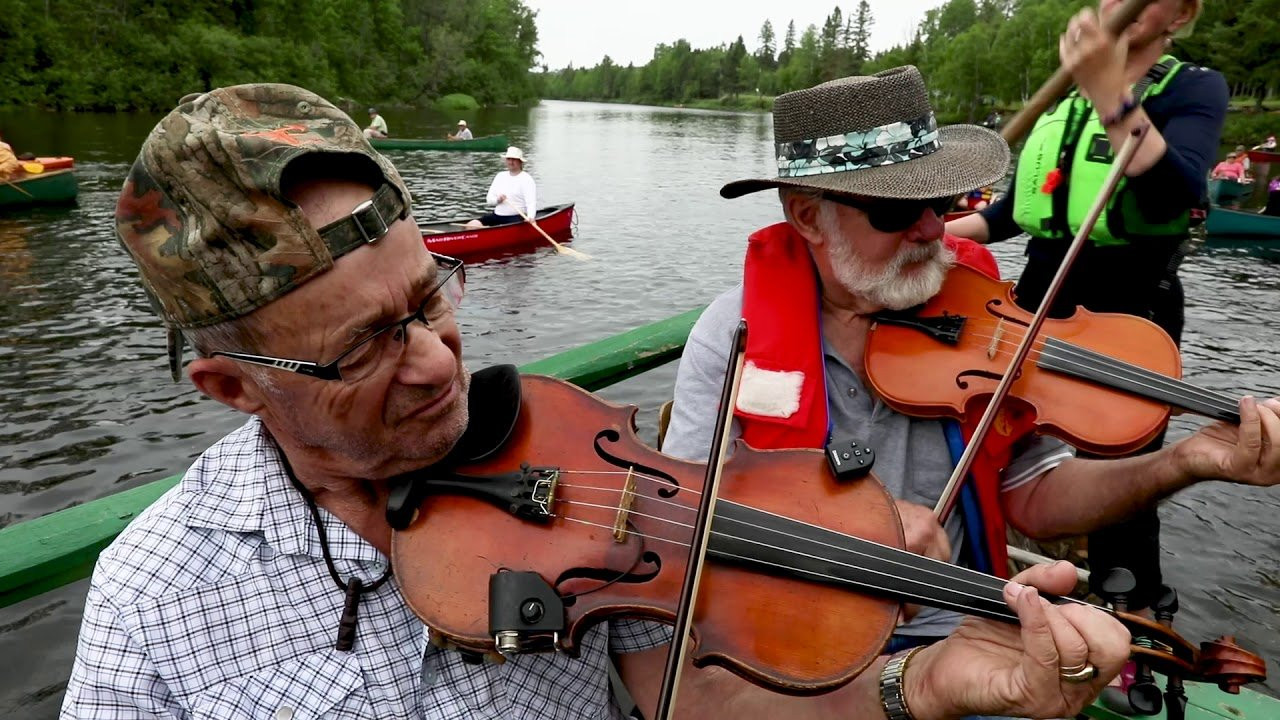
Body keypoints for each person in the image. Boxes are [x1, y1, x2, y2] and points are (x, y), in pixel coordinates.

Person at [59, 83, 1133, 720]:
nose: (438, 364)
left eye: (431, 296)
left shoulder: (569, 444)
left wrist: (930, 686)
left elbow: (702, 699)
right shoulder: (153, 598)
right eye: (364, 349)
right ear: (229, 387)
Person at [664, 65, 1280, 718]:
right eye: (897, 209)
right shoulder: (731, 335)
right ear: (808, 216)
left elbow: (1036, 498)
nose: (934, 230)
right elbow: (679, 515)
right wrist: (852, 523)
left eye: (941, 202)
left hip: (968, 638)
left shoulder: (980, 313)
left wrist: (1181, 462)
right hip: (790, 654)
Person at [945, 5, 1227, 695]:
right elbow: (1011, 214)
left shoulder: (1194, 88)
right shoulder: (1068, 102)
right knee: (1003, 446)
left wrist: (1110, 92)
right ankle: (995, 590)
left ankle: (1130, 627)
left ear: (1181, 13)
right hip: (1041, 299)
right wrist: (932, 229)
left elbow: (1175, 190)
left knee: (1122, 468)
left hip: (1129, 308)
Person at [465, 146, 537, 228]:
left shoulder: (526, 179)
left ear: (520, 162)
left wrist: (531, 217)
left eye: (514, 159)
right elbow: (489, 200)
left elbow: (531, 202)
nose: (511, 162)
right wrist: (498, 200)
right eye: (509, 159)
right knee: (472, 224)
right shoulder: (500, 176)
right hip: (497, 216)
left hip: (516, 218)